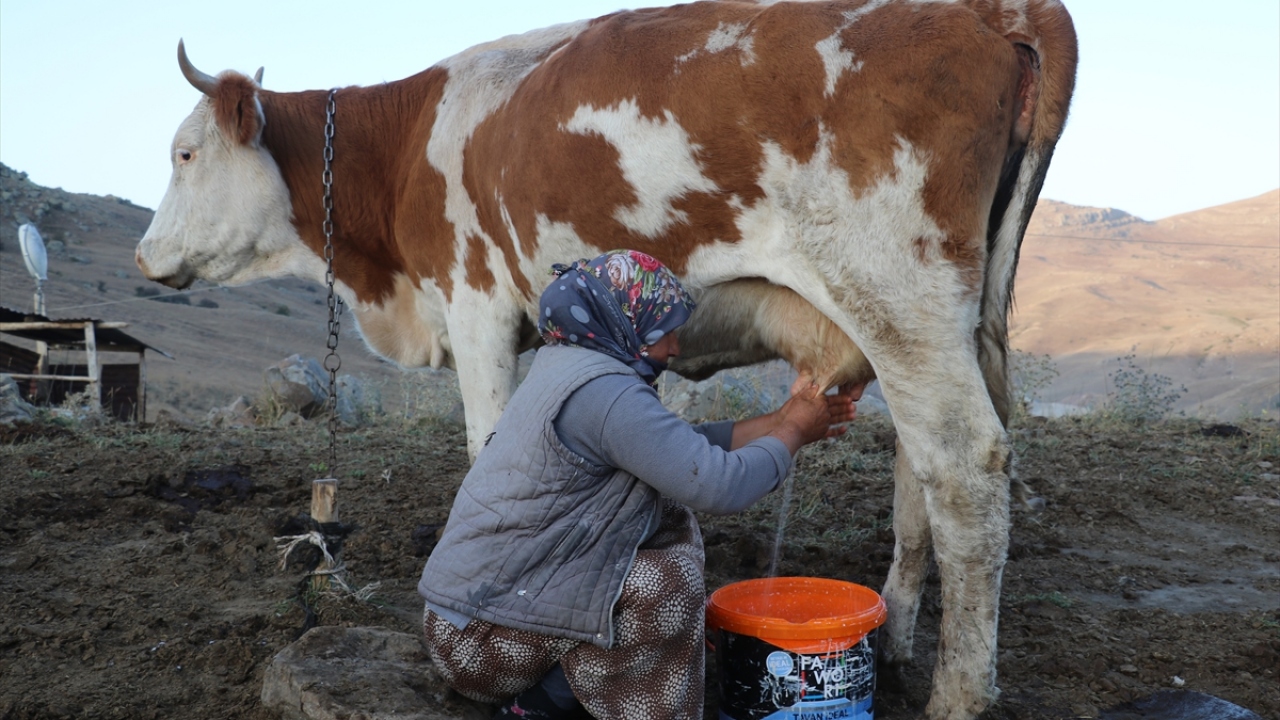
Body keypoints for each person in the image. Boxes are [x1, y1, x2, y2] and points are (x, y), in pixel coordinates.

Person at [418, 250, 861, 719]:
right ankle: (542, 706)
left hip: (468, 620)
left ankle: (568, 688)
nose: (675, 348)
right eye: (662, 330)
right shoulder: (606, 396)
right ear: (625, 322)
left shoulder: (571, 366)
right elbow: (717, 484)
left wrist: (780, 420)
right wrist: (792, 434)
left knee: (658, 538)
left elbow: (677, 449)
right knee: (663, 582)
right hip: (480, 645)